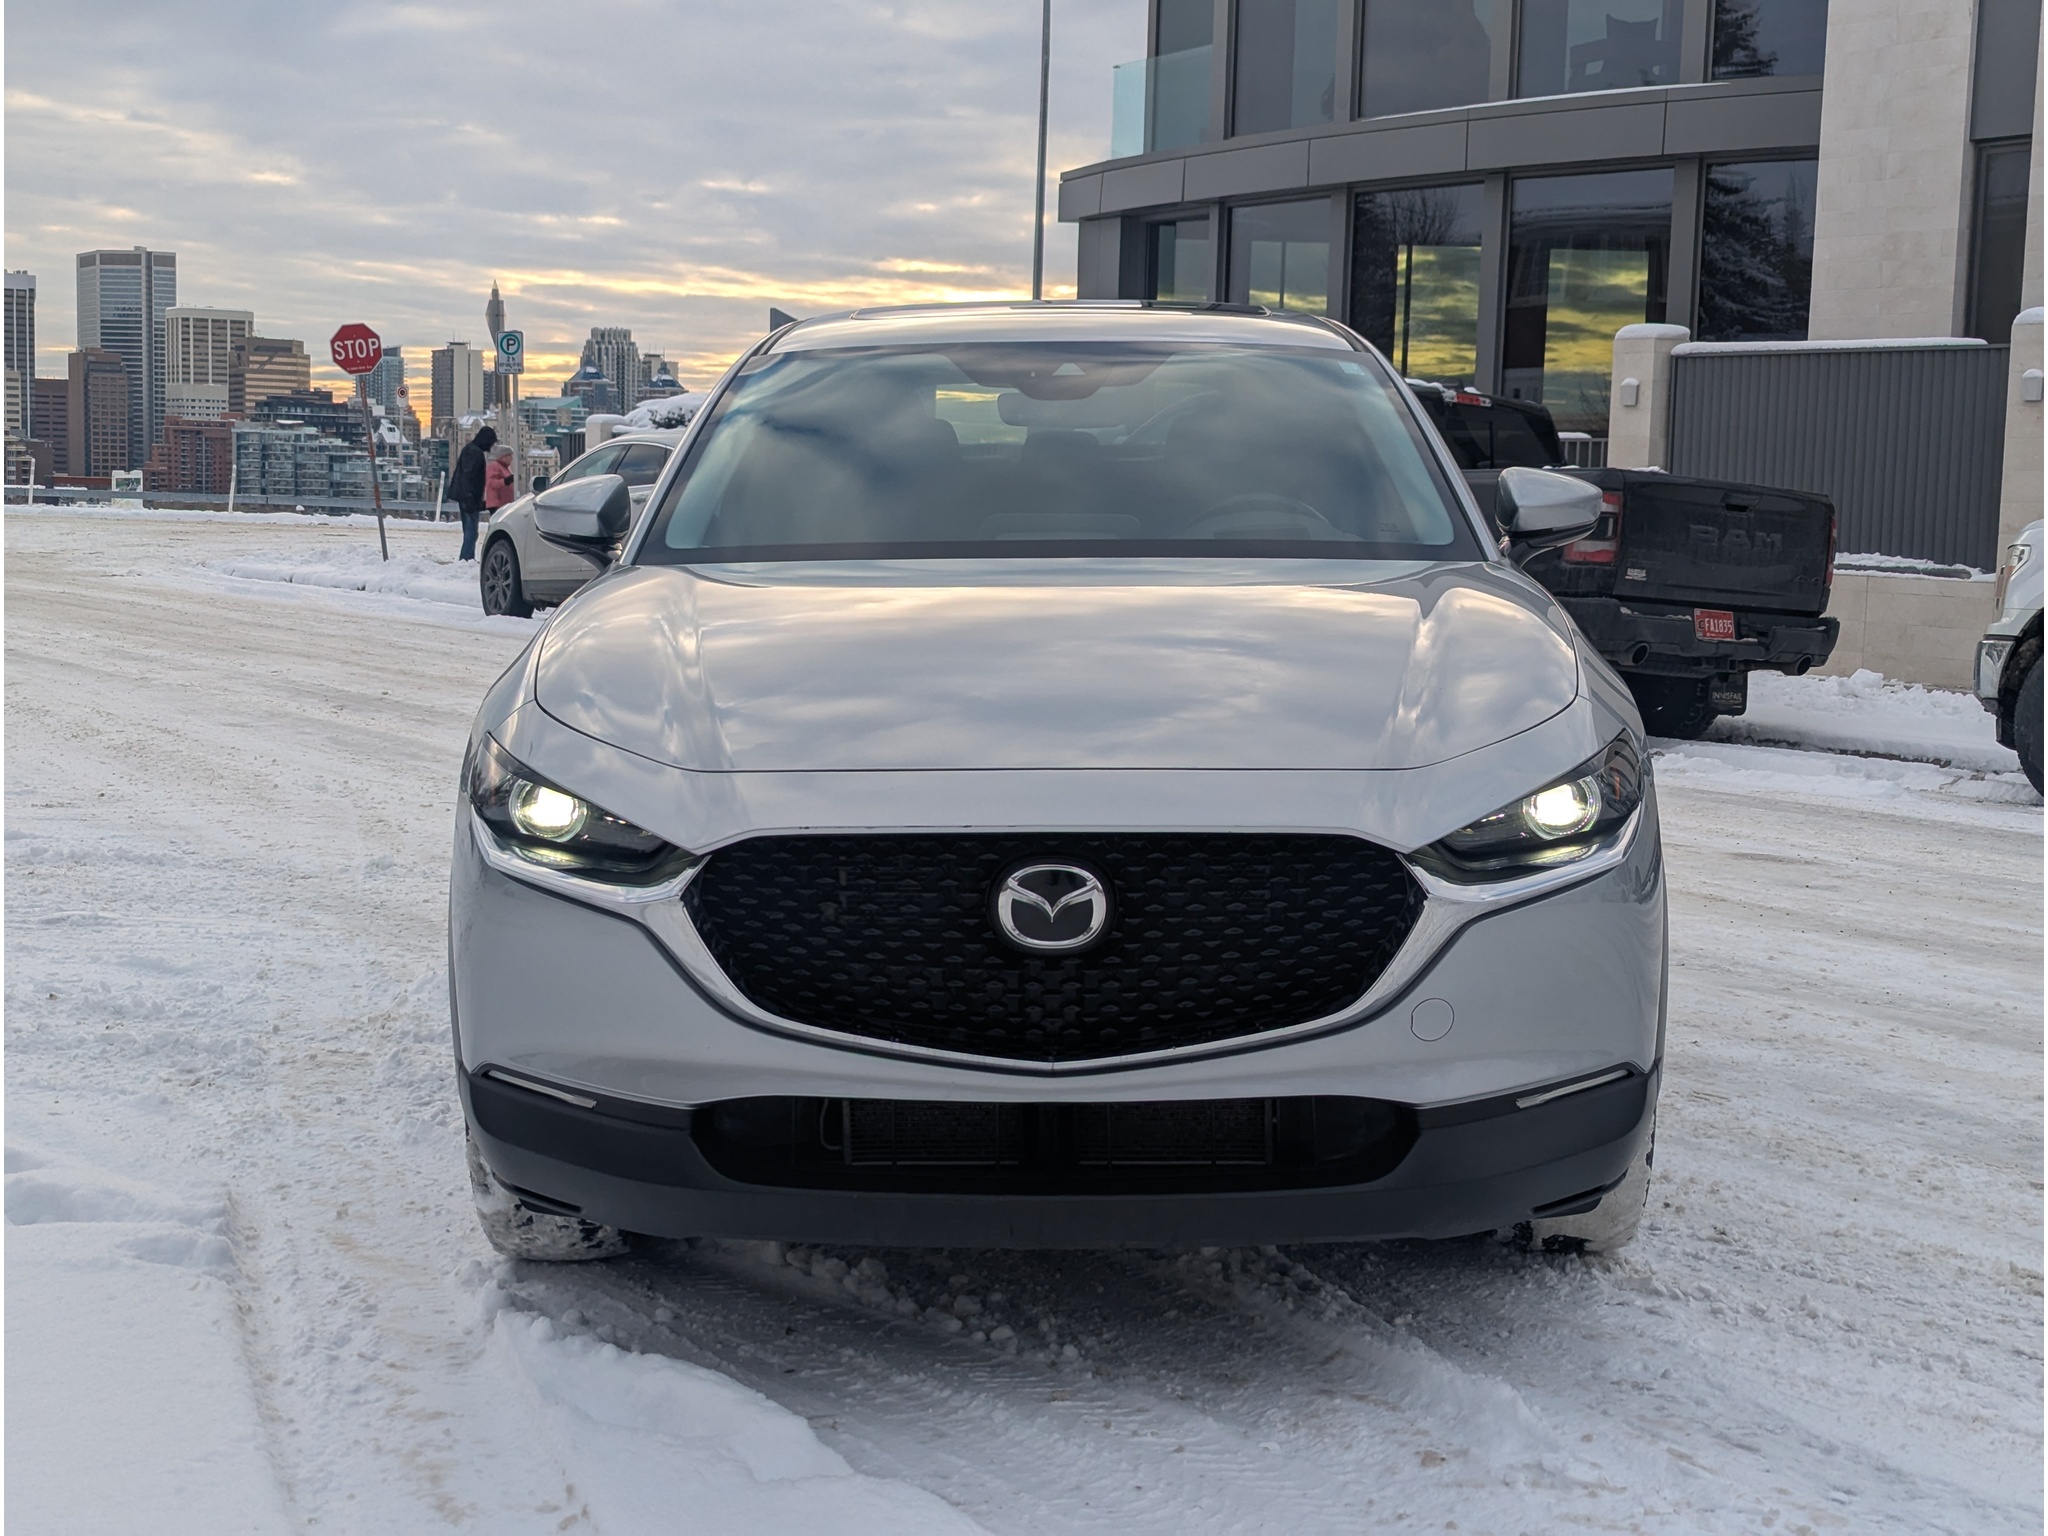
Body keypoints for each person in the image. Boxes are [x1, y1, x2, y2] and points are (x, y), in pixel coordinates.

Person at [452, 425, 496, 560]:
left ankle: (467, 559)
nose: (491, 446)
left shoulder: (471, 450)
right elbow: (468, 476)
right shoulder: (474, 452)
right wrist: (470, 497)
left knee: (470, 531)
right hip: (468, 497)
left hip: (466, 496)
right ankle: (466, 559)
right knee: (471, 532)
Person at [483, 442, 516, 518]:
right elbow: (491, 483)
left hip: (504, 503)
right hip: (497, 503)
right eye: (509, 455)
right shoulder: (494, 466)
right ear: (503, 456)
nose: (511, 458)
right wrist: (505, 481)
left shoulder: (505, 467)